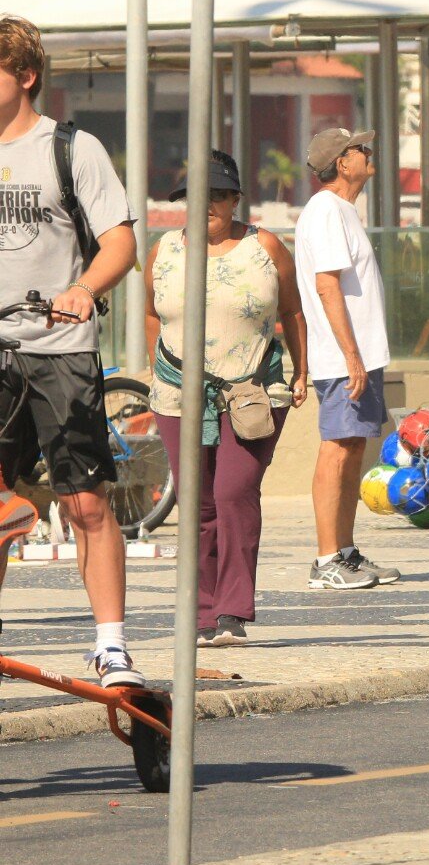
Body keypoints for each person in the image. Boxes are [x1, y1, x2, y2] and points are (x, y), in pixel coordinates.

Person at [0, 15, 143, 687]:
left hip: (59, 350)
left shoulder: (71, 149)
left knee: (83, 500)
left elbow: (119, 241)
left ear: (25, 76)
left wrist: (84, 288)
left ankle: (110, 643)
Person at [145, 151, 308, 645]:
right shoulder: (164, 249)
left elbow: (294, 311)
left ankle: (233, 610)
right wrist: (158, 366)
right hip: (178, 393)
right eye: (200, 194)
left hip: (254, 391)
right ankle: (201, 612)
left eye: (219, 194)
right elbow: (154, 313)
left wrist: (304, 370)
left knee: (233, 492)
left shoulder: (267, 247)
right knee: (196, 502)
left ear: (236, 199)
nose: (209, 203)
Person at [294, 127, 399, 590]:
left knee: (354, 447)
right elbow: (326, 285)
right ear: (341, 163)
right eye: (359, 148)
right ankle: (324, 560)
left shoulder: (343, 211)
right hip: (343, 359)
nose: (368, 153)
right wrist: (351, 357)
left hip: (360, 356)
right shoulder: (324, 211)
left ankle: (346, 552)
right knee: (337, 448)